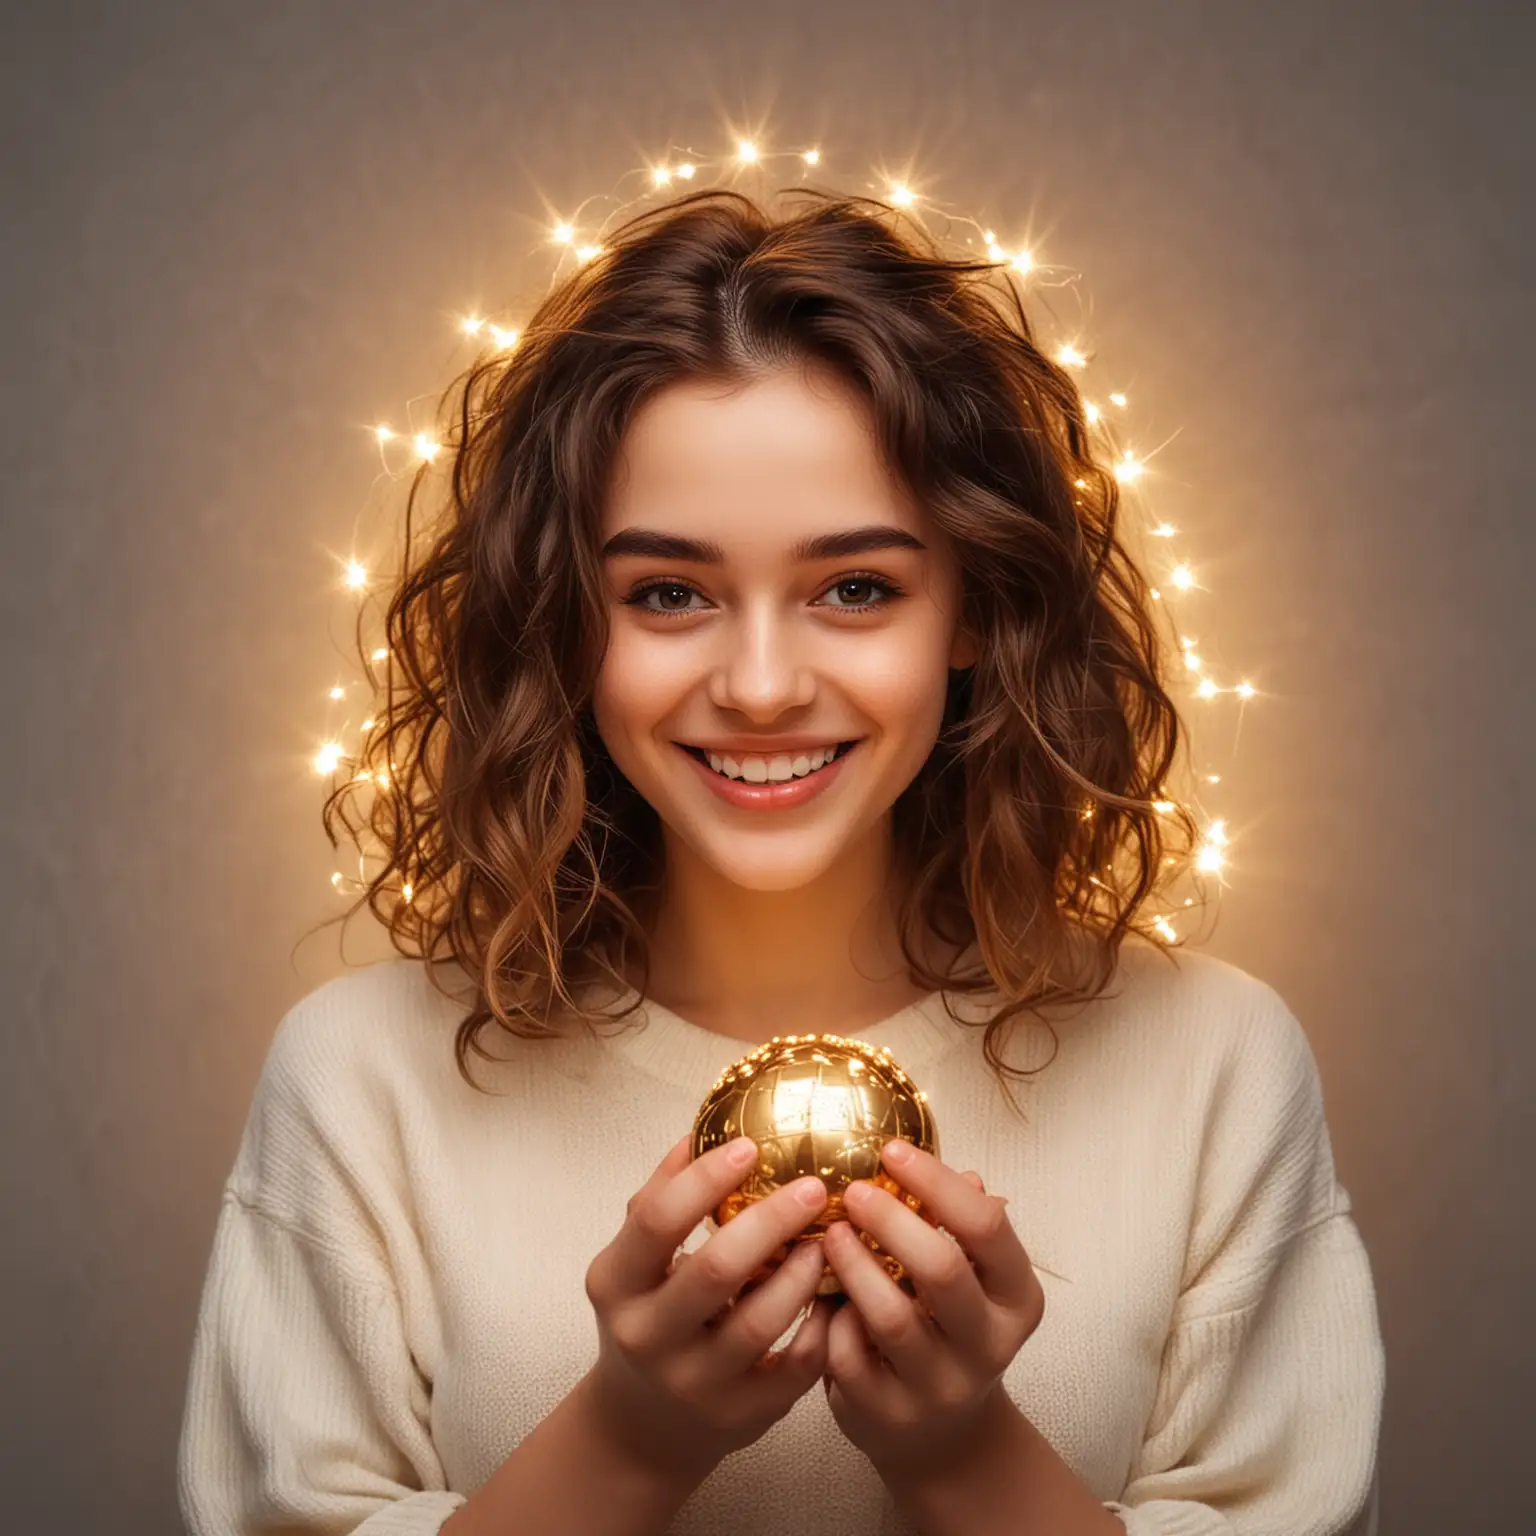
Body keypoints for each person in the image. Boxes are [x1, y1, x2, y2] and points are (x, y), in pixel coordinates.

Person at [176, 187, 1384, 1536]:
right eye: (668, 593)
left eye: (856, 586)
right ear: (568, 626)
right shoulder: (361, 1081)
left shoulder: (1212, 1065)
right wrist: (635, 1440)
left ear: (972, 607)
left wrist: (964, 1454)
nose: (758, 685)